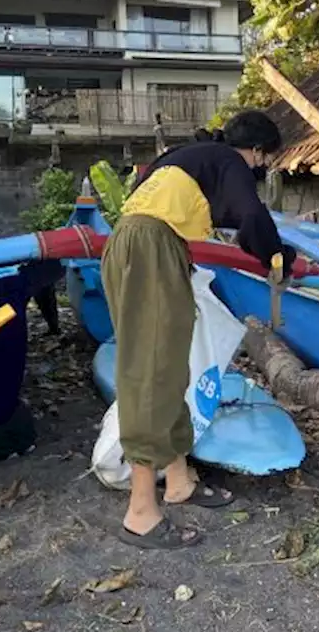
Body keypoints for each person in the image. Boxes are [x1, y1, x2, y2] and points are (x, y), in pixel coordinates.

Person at [101, 110, 297, 550]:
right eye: (266, 160)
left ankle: (177, 483)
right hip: (152, 249)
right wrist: (280, 258)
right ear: (258, 151)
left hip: (139, 247)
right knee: (150, 373)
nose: (262, 170)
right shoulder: (229, 161)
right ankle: (140, 513)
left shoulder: (184, 157)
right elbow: (252, 217)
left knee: (170, 368)